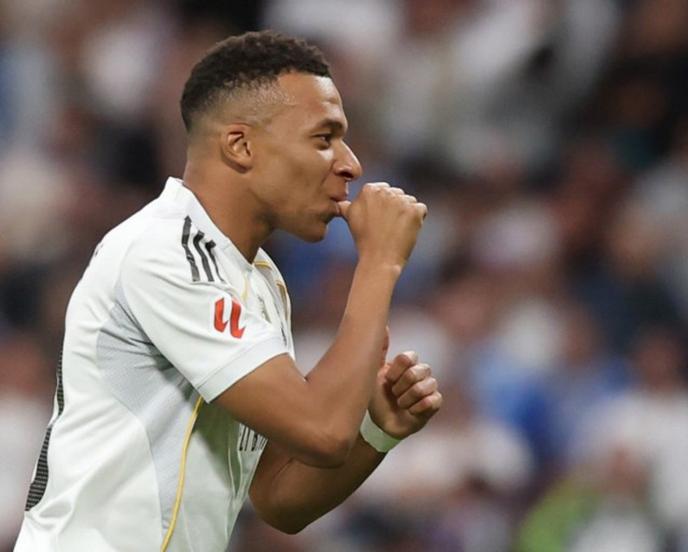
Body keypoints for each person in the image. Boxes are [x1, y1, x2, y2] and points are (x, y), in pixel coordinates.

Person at [15, 30, 442, 551]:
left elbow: (278, 497)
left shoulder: (259, 280)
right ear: (241, 146)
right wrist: (379, 262)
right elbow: (323, 431)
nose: (350, 163)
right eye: (323, 138)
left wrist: (378, 431)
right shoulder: (164, 252)